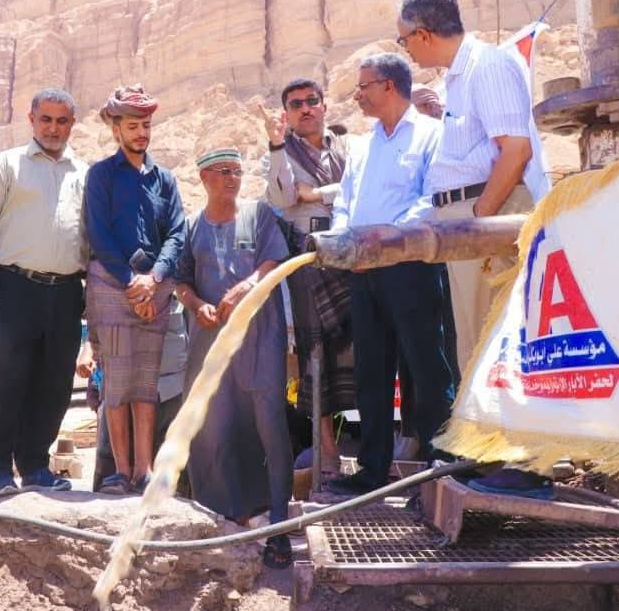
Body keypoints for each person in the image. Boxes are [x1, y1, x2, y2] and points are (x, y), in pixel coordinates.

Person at [397, 0, 553, 498]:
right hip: (466, 219)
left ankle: (525, 464)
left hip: (487, 215)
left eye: (404, 40)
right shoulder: (459, 79)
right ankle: (492, 456)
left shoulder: (489, 66)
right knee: (475, 343)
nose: (406, 50)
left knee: (502, 339)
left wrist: (479, 221)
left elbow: (515, 152)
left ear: (423, 33)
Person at [325, 54, 456, 496]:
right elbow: (345, 202)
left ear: (389, 86)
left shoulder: (432, 134)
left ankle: (440, 466)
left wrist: (391, 239)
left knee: (427, 367)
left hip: (411, 267)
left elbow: (433, 198)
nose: (357, 95)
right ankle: (372, 469)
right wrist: (345, 239)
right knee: (372, 372)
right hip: (364, 270)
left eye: (363, 86)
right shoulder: (362, 147)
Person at [175, 147, 295, 566]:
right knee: (213, 429)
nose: (232, 178)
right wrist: (196, 305)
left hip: (259, 339)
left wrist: (246, 286)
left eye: (237, 171)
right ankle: (223, 519)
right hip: (210, 345)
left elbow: (273, 261)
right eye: (224, 171)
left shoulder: (258, 215)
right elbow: (181, 282)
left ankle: (277, 524)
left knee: (269, 424)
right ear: (204, 178)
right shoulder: (192, 227)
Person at [0, 88, 87, 497]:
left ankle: (35, 465)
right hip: (13, 288)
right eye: (46, 119)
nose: (53, 128)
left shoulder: (83, 173)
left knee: (55, 383)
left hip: (66, 292)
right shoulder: (6, 165)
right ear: (31, 120)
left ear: (72, 124)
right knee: (7, 380)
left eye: (62, 121)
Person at [84, 84, 186, 495]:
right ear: (116, 130)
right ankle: (120, 472)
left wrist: (154, 278)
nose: (141, 133)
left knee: (146, 382)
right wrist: (130, 283)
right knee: (116, 382)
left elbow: (176, 233)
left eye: (146, 125)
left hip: (154, 287)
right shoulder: (101, 175)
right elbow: (98, 233)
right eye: (132, 126)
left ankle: (144, 470)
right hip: (112, 284)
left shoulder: (165, 180)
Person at [255, 79, 354, 480]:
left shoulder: (348, 147)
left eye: (312, 101)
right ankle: (327, 453)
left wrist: (315, 194)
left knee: (369, 347)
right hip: (309, 258)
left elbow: (359, 187)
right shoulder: (276, 155)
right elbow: (283, 198)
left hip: (355, 253)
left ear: (324, 106)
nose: (305, 108)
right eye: (295, 104)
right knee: (316, 355)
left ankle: (374, 448)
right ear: (287, 114)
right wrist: (277, 145)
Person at [80, 296, 189, 496]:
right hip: (117, 389)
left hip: (169, 383)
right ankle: (121, 475)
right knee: (110, 477)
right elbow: (100, 303)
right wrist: (89, 349)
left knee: (171, 472)